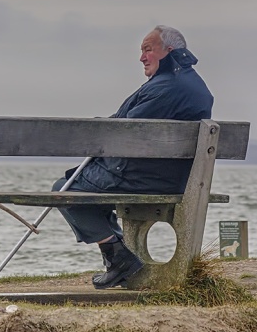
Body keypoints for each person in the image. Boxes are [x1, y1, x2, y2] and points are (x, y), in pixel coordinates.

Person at [52, 25, 214, 289]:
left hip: (139, 178)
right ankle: (119, 258)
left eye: (148, 50)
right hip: (175, 180)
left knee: (63, 190)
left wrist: (99, 130)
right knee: (80, 188)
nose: (141, 57)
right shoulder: (195, 86)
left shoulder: (164, 88)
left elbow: (124, 132)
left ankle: (118, 257)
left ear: (169, 51)